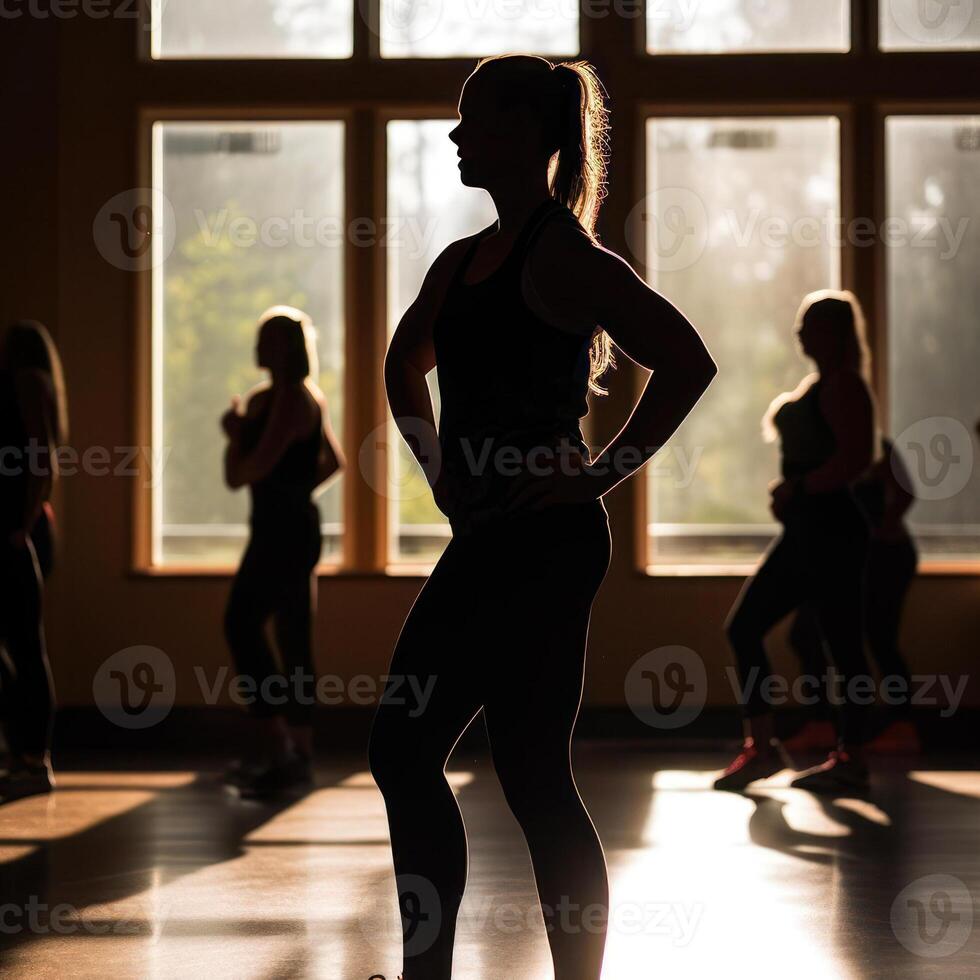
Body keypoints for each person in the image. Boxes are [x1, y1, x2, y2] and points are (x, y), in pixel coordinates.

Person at [370, 54, 716, 980]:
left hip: (541, 543)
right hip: (494, 536)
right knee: (521, 774)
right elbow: (403, 368)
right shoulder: (459, 264)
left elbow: (687, 359)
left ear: (526, 131)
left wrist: (600, 475)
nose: (453, 135)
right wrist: (438, 468)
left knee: (415, 748)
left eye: (471, 118)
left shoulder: (562, 255)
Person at [715, 290, 877, 795]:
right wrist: (794, 494)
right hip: (811, 528)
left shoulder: (845, 387)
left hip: (830, 527)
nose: (799, 333)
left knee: (837, 640)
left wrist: (799, 488)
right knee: (760, 630)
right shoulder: (824, 385)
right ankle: (766, 750)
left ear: (833, 333)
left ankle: (845, 756)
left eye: (808, 325)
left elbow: (856, 458)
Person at [220, 306, 344, 800]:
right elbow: (330, 462)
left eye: (267, 337)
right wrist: (295, 490)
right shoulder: (293, 400)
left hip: (281, 533)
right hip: (287, 527)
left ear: (284, 349)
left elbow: (250, 469)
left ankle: (283, 749)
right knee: (291, 636)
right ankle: (296, 754)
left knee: (241, 624)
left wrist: (236, 436)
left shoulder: (286, 402)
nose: (258, 344)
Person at [784, 436, 919, 754]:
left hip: (879, 556)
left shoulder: (868, 447)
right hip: (843, 557)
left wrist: (880, 531)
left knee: (878, 637)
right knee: (809, 635)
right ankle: (823, 724)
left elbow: (904, 494)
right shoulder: (821, 452)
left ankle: (901, 725)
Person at [0, 319, 68, 802]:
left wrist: (20, 526)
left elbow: (41, 460)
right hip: (23, 527)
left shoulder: (26, 382)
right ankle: (25, 754)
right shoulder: (40, 383)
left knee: (26, 645)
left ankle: (31, 758)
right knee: (23, 644)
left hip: (17, 530)